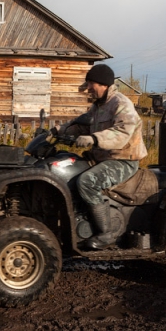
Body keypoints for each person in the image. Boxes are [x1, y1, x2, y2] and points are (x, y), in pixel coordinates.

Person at [58, 64, 148, 250]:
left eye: (91, 83)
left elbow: (122, 132)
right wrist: (59, 131)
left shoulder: (121, 104)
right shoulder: (98, 106)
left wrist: (94, 138)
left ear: (104, 84)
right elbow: (82, 124)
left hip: (123, 160)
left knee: (87, 181)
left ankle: (107, 233)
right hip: (101, 158)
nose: (89, 87)